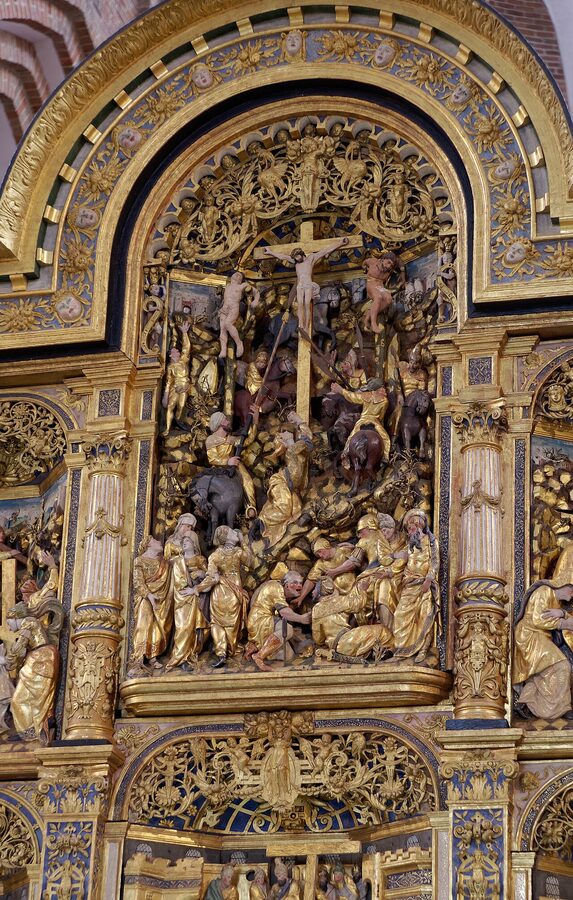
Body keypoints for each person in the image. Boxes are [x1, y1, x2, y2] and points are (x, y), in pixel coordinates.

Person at [194, 526, 253, 667]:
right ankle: (226, 651)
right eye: (233, 532)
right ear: (227, 537)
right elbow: (250, 561)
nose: (236, 532)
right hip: (230, 591)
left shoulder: (215, 555)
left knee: (218, 622)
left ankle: (222, 651)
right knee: (229, 623)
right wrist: (243, 542)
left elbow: (210, 578)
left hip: (221, 591)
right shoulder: (238, 552)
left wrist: (198, 588)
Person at [513, 580, 573, 719]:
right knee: (561, 666)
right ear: (566, 585)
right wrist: (562, 623)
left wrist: (563, 613)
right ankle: (559, 709)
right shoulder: (544, 591)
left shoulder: (556, 601)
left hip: (540, 637)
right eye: (572, 590)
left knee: (540, 673)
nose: (572, 596)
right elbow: (538, 619)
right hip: (530, 635)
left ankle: (527, 703)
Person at [263, 237, 349, 332]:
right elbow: (282, 257)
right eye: (295, 258)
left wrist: (340, 243)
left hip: (308, 285)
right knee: (300, 305)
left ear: (301, 254)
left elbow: (325, 251)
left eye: (297, 257)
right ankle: (301, 324)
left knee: (307, 304)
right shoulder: (295, 263)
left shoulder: (311, 259)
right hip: (300, 286)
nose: (296, 259)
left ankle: (307, 325)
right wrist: (270, 252)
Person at [6, 602, 59, 742]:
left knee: (22, 699)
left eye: (9, 622)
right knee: (31, 697)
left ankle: (33, 729)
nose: (9, 628)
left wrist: (8, 660)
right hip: (39, 657)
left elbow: (19, 646)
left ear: (15, 617)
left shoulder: (28, 622)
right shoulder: (30, 623)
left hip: (41, 658)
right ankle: (29, 730)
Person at [258, 413, 313, 548]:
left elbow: (308, 440)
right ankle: (261, 522)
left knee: (296, 511)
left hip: (293, 488)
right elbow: (276, 451)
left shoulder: (299, 446)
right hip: (281, 481)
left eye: (289, 431)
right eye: (284, 432)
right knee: (284, 510)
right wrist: (283, 441)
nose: (286, 433)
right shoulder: (285, 446)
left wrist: (300, 422)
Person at [393, 509, 439, 664]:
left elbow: (435, 561)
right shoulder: (409, 546)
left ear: (422, 526)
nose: (412, 529)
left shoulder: (431, 541)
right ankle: (401, 650)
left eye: (415, 525)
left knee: (425, 616)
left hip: (424, 585)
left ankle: (423, 650)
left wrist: (429, 578)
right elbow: (398, 561)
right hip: (409, 586)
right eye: (409, 527)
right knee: (399, 615)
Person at [164, 515, 208, 669]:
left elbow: (206, 571)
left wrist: (198, 577)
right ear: (179, 525)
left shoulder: (197, 555)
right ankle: (179, 656)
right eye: (186, 526)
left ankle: (188, 655)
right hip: (176, 587)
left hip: (193, 589)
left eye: (191, 527)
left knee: (192, 622)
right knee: (181, 623)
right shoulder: (170, 543)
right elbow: (166, 565)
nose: (188, 530)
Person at [246, 571, 311, 671]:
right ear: (286, 585)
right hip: (260, 620)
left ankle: (258, 648)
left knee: (288, 655)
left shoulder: (278, 590)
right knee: (287, 629)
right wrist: (301, 618)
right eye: (295, 582)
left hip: (267, 621)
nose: (299, 586)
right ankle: (259, 656)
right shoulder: (275, 587)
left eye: (300, 583)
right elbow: (284, 613)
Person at [130, 536, 173, 673]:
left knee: (158, 626)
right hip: (147, 598)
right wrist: (148, 595)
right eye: (155, 541)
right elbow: (138, 581)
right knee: (144, 624)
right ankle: (138, 658)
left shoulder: (164, 563)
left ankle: (153, 656)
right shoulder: (140, 560)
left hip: (163, 598)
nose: (160, 542)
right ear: (148, 544)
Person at [205, 411, 257, 519]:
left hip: (236, 465)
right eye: (225, 420)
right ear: (219, 423)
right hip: (219, 468)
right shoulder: (211, 440)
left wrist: (255, 421)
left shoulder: (231, 439)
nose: (228, 422)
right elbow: (212, 458)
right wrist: (227, 461)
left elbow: (248, 440)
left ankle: (250, 506)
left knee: (247, 480)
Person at [218, 272, 260, 359]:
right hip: (224, 309)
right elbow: (225, 299)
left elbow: (256, 292)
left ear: (241, 279)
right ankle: (223, 350)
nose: (237, 275)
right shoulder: (228, 286)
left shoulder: (242, 285)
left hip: (233, 308)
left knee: (228, 324)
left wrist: (256, 300)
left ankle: (239, 343)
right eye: (235, 274)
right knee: (222, 329)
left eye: (240, 275)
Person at [162, 321, 191, 434]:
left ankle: (178, 421)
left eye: (178, 351)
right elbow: (169, 382)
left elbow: (186, 347)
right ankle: (167, 429)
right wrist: (165, 396)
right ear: (171, 355)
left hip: (185, 386)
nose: (178, 351)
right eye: (175, 351)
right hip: (175, 388)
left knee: (182, 406)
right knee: (170, 407)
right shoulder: (170, 367)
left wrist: (184, 333)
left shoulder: (183, 360)